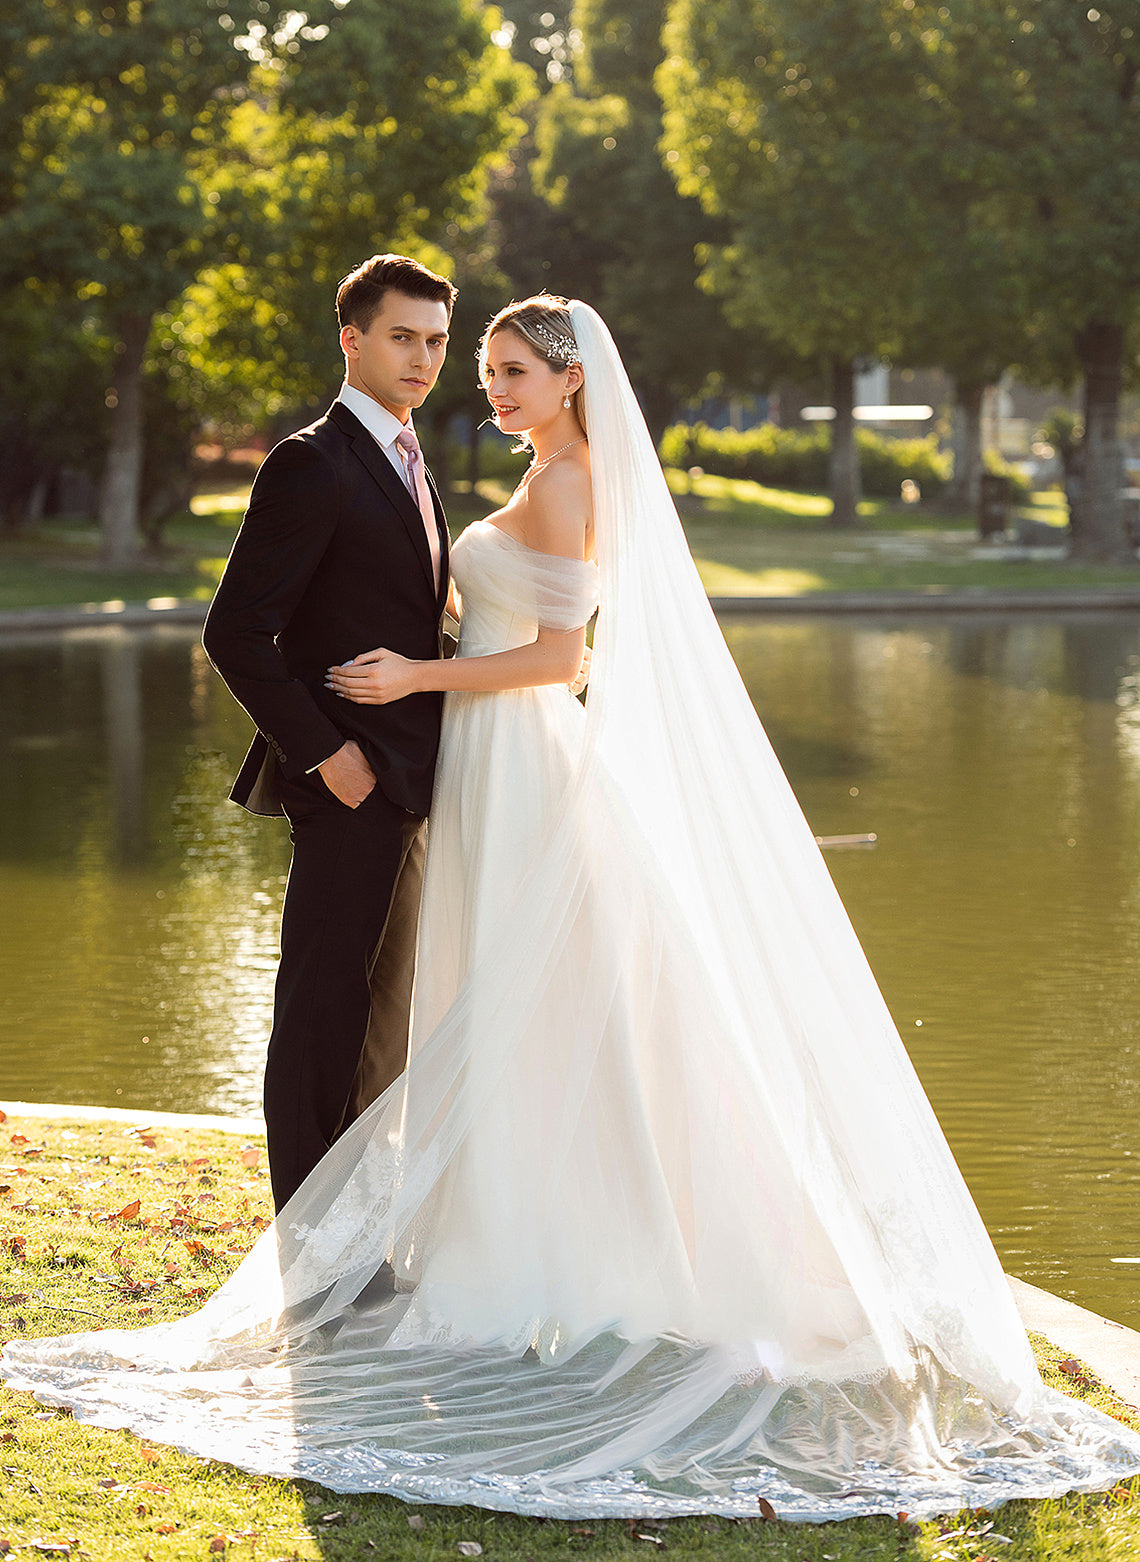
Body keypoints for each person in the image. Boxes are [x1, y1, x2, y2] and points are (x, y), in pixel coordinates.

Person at [4, 298, 1140, 1520]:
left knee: (550, 996)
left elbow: (562, 654)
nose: (480, 384)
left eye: (503, 368)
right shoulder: (488, 467)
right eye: (470, 363)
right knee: (486, 998)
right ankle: (453, 1238)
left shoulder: (568, 481)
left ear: (568, 378)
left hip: (519, 752)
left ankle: (578, 1249)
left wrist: (420, 669)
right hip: (472, 764)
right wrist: (389, 688)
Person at [201, 254, 455, 1211]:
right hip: (348, 786)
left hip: (412, 782)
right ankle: (305, 1239)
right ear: (352, 339)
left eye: (436, 341)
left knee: (380, 1018)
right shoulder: (312, 461)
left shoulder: (410, 459)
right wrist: (328, 755)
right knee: (321, 1010)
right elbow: (235, 632)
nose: (423, 357)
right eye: (402, 337)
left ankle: (356, 1232)